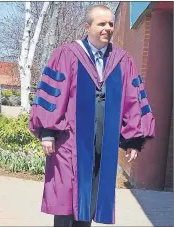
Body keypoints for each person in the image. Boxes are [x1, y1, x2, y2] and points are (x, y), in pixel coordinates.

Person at [29, 5, 155, 226]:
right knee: (67, 198)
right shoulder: (67, 54)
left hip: (103, 144)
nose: (107, 28)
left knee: (91, 198)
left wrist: (134, 139)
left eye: (110, 24)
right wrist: (47, 132)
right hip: (70, 143)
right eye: (101, 24)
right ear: (88, 27)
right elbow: (52, 96)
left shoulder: (122, 60)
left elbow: (134, 100)